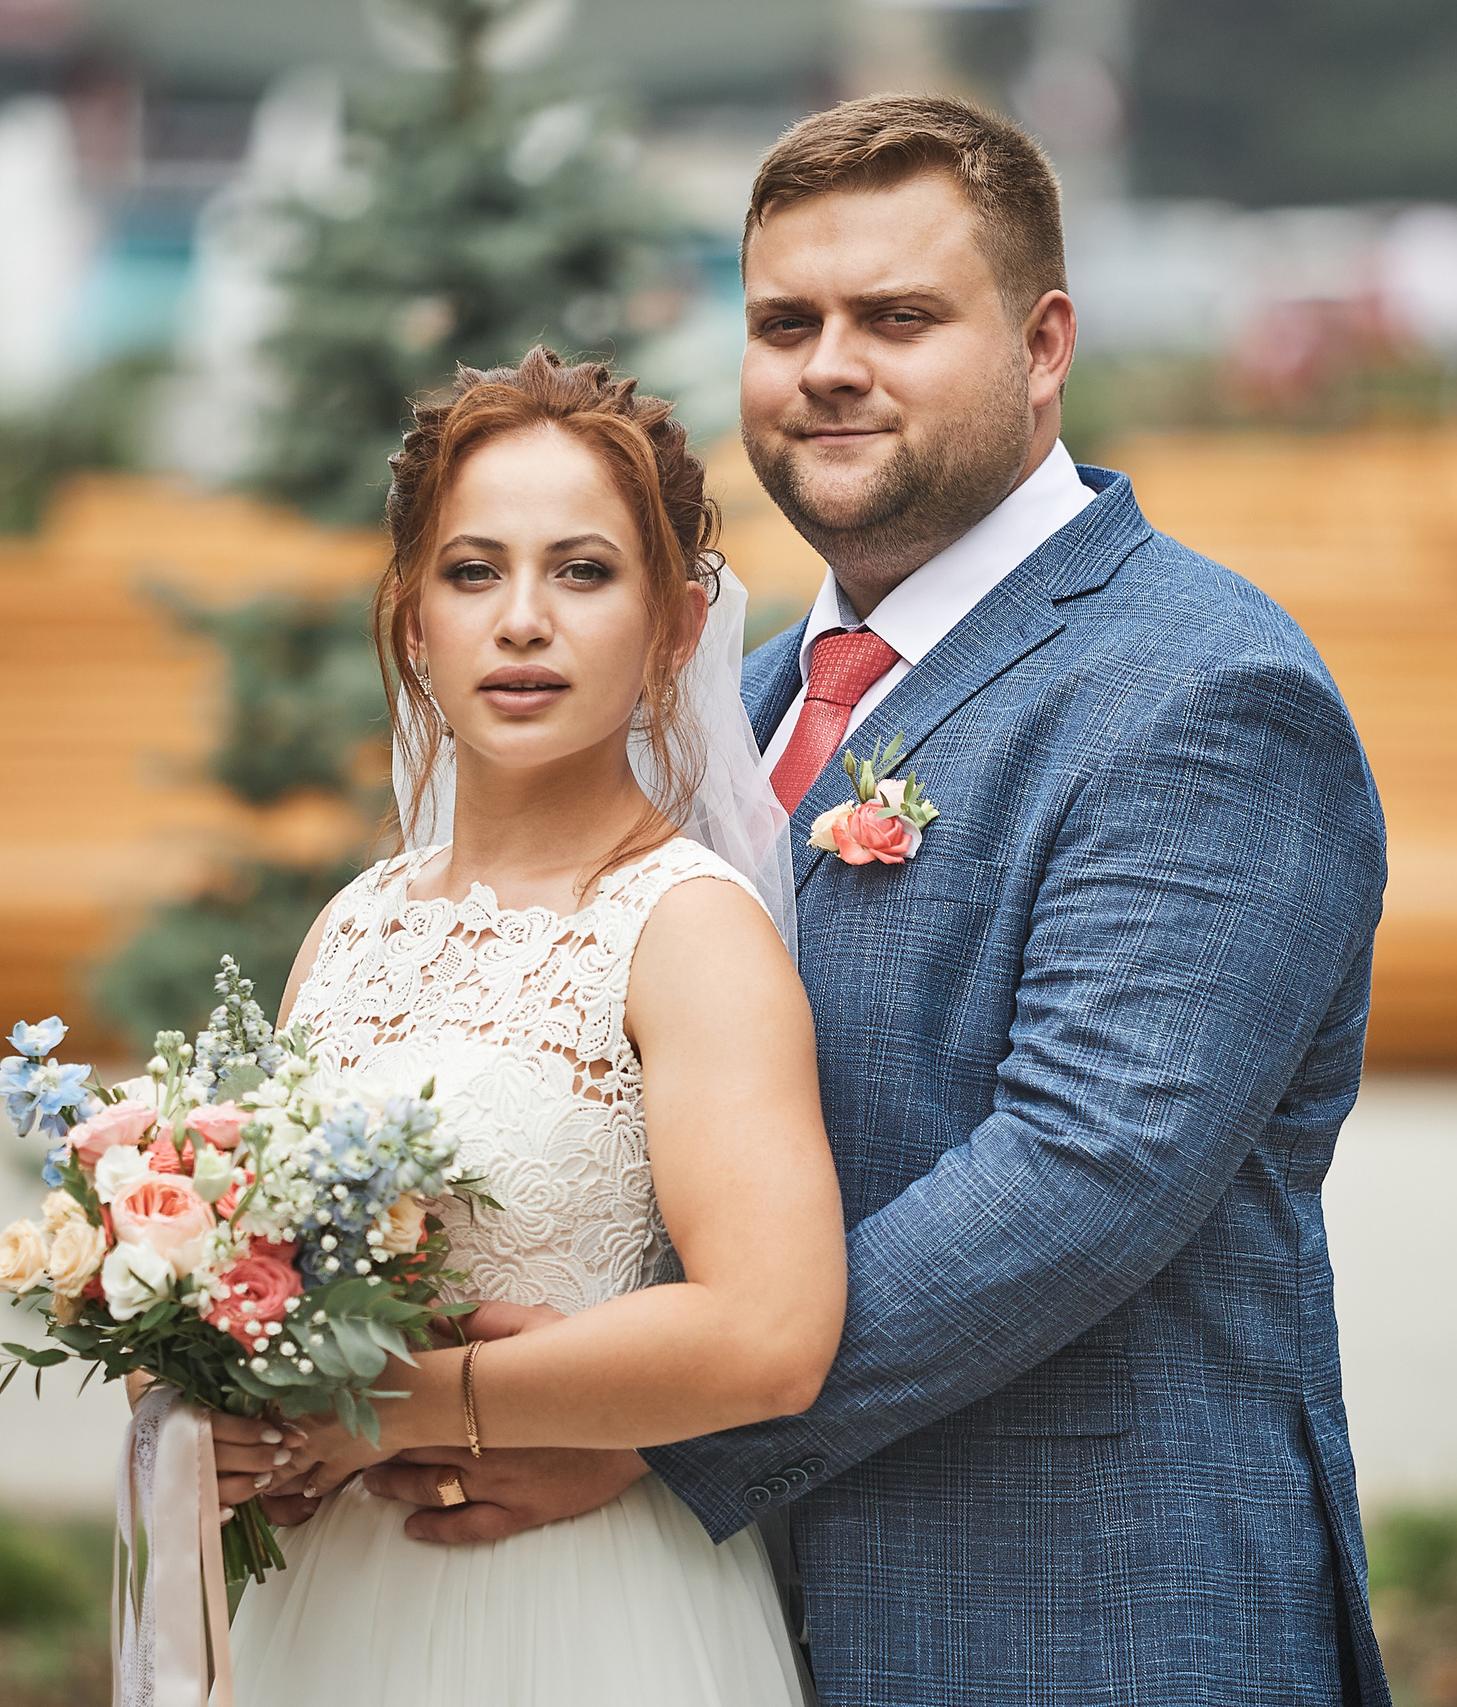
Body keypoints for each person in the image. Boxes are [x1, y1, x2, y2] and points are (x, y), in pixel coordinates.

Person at [326, 96, 1396, 1706]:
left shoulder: (1204, 693)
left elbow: (1083, 1170)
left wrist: (640, 1426)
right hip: (719, 1636)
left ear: (1043, 347)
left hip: (1083, 1618)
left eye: (898, 317)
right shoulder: (726, 710)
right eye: (785, 322)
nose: (829, 364)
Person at [206, 348, 843, 1703]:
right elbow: (273, 1295)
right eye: (475, 570)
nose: (523, 621)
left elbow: (774, 1333)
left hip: (583, 1610)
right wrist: (237, 1421)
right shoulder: (352, 926)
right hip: (332, 1613)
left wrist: (394, 1409)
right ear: (412, 616)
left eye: (584, 571)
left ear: (674, 626)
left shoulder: (688, 931)